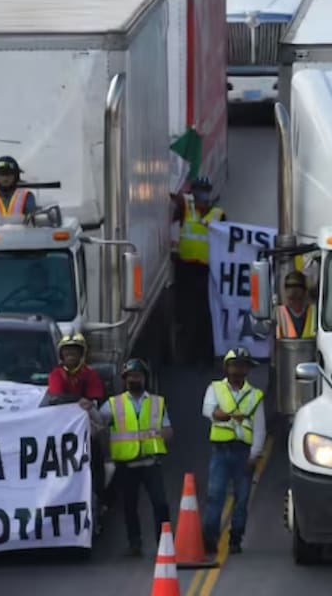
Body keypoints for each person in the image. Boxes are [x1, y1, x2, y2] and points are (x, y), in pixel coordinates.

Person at [101, 358, 172, 556]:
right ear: (125, 380)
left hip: (150, 463)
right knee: (129, 506)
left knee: (161, 504)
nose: (134, 379)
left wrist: (159, 436)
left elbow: (168, 429)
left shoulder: (157, 403)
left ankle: (164, 542)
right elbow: (98, 424)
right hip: (127, 465)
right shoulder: (113, 404)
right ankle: (135, 543)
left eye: (137, 376)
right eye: (130, 376)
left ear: (144, 379)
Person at [202, 347, 266, 554]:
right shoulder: (215, 389)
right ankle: (209, 540)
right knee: (215, 495)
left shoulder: (255, 395)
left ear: (248, 369)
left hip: (243, 453)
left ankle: (235, 539)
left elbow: (260, 428)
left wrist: (254, 455)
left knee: (242, 499)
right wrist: (224, 415)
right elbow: (209, 411)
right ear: (227, 367)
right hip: (220, 451)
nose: (238, 369)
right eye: (235, 365)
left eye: (243, 365)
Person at [47, 332, 108, 502]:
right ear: (61, 355)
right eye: (67, 352)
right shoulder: (56, 374)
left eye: (74, 352)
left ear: (82, 354)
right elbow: (56, 396)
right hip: (62, 429)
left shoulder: (90, 374)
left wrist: (88, 402)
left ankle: (100, 497)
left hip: (86, 427)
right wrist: (77, 400)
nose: (70, 356)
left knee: (97, 455)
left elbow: (94, 398)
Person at [173, 177, 225, 362]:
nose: (201, 194)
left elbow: (229, 240)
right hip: (186, 269)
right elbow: (172, 205)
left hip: (206, 272)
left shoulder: (218, 213)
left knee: (206, 313)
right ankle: (188, 355)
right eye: (198, 190)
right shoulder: (186, 207)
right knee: (187, 313)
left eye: (205, 190)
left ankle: (206, 354)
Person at [276, 270, 317, 339]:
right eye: (291, 299)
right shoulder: (279, 314)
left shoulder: (315, 312)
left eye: (299, 299)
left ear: (305, 293)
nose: (295, 304)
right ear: (285, 294)